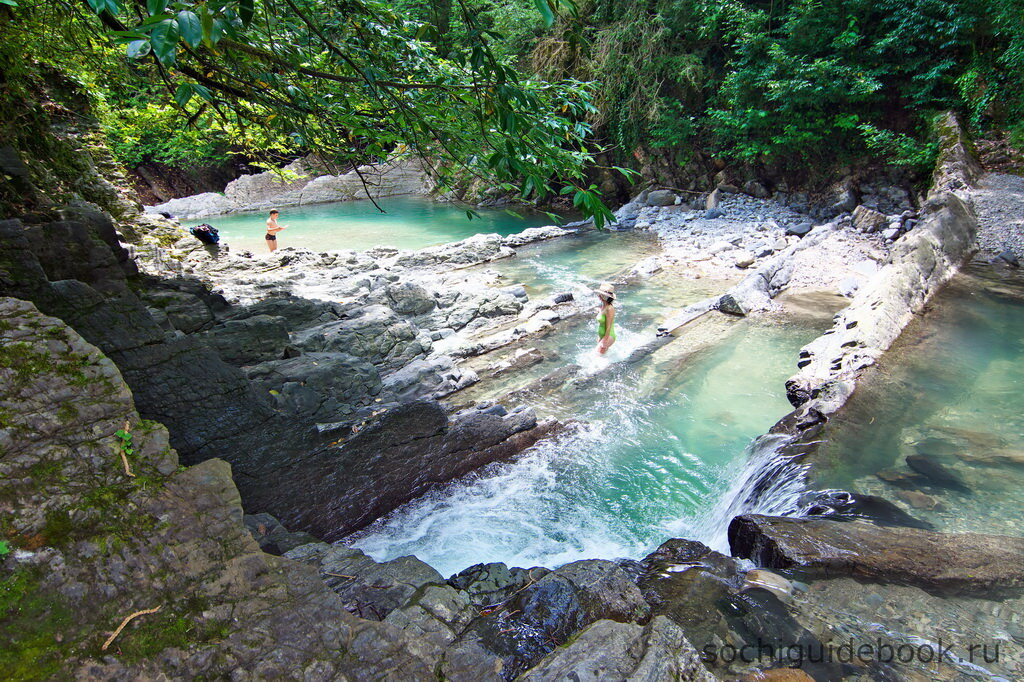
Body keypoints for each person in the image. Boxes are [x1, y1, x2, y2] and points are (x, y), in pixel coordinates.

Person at [594, 282, 616, 355]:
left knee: (597, 356)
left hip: (608, 336)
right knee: (602, 357)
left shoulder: (610, 308)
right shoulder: (603, 306)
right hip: (602, 336)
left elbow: (608, 326)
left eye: (601, 295)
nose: (599, 296)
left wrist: (605, 340)